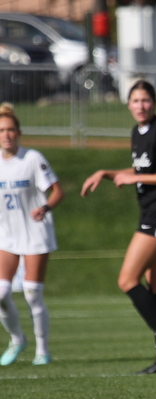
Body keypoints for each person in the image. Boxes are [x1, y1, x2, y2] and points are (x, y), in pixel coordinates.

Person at [81, 80, 156, 374]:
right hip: (153, 213)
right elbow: (143, 170)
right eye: (135, 101)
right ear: (128, 104)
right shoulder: (137, 132)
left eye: (146, 100)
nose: (141, 106)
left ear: (154, 103)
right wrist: (108, 173)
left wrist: (133, 179)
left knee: (127, 279)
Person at [0, 103, 65, 366]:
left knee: (31, 293)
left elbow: (57, 191)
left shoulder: (32, 158)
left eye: (11, 130)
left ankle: (42, 350)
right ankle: (17, 339)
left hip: (35, 234)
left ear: (19, 132)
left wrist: (45, 206)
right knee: (2, 293)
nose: (6, 134)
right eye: (2, 130)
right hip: (7, 235)